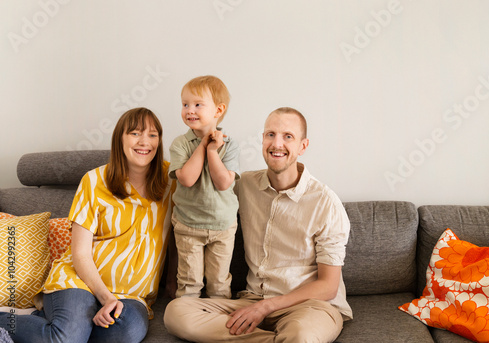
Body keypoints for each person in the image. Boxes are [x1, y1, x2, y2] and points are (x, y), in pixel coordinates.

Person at [164, 107, 352, 342]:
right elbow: (189, 215)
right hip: (252, 300)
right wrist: (172, 277)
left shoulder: (325, 202)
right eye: (270, 134)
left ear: (303, 146)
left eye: (288, 136)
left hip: (309, 307)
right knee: (176, 312)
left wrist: (267, 307)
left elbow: (328, 286)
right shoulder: (245, 185)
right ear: (262, 139)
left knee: (301, 337)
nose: (277, 143)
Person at [0, 107, 176, 343]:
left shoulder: (172, 181)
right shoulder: (94, 181)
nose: (145, 141)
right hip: (78, 281)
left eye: (153, 135)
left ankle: (48, 320)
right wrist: (106, 298)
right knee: (66, 338)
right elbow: (80, 254)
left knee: (127, 333)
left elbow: (183, 233)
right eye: (135, 133)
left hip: (132, 296)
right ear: (119, 139)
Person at [168, 75, 240, 299]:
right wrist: (203, 144)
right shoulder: (180, 143)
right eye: (185, 104)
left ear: (218, 110)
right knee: (190, 282)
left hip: (222, 226)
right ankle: (187, 321)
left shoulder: (230, 145)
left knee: (219, 284)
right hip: (188, 225)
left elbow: (223, 183)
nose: (190, 109)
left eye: (198, 104)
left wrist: (212, 151)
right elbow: (187, 179)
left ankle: (217, 323)